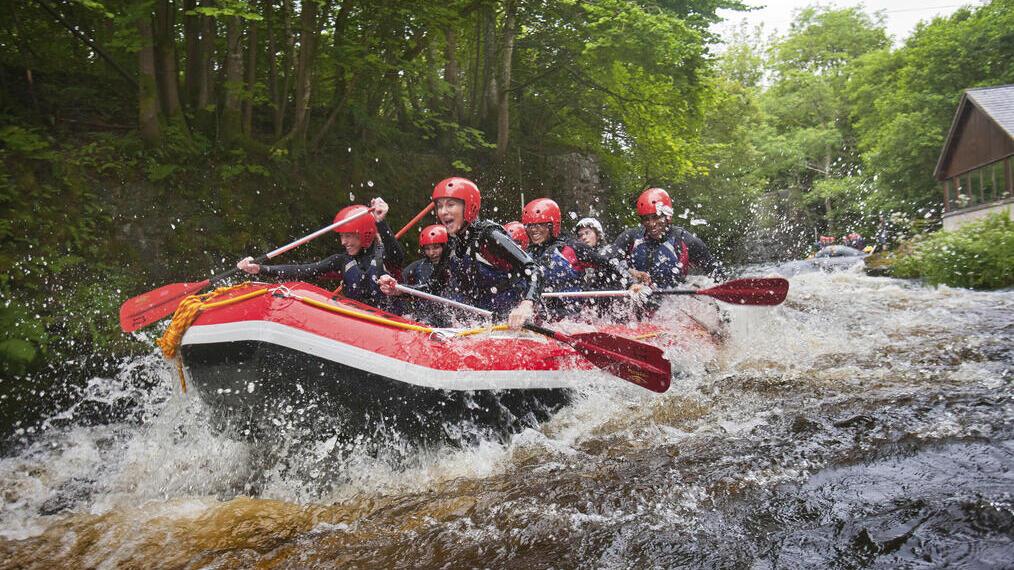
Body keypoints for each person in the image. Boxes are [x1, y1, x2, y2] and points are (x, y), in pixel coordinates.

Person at [379, 177, 542, 329]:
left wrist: (526, 305)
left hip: (516, 322)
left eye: (450, 205)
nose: (443, 212)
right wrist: (400, 290)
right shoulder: (452, 244)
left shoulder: (489, 235)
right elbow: (434, 287)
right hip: (484, 323)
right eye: (440, 206)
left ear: (469, 207)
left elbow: (534, 270)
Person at [237, 202, 399, 310]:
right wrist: (259, 268)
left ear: (364, 234)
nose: (343, 242)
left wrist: (381, 221)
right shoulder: (341, 260)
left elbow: (397, 257)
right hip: (359, 320)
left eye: (348, 236)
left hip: (393, 321)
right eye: (341, 236)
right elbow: (304, 271)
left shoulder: (384, 256)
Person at [522, 198, 638, 319]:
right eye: (529, 226)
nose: (533, 230)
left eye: (539, 224)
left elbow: (609, 264)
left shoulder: (574, 248)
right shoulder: (527, 254)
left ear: (552, 226)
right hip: (542, 318)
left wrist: (631, 282)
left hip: (573, 317)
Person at [613, 187, 724, 289]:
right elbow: (608, 261)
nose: (651, 224)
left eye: (656, 217)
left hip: (671, 301)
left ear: (667, 216)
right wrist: (631, 277)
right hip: (636, 297)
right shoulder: (631, 237)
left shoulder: (686, 241)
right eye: (646, 219)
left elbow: (716, 273)